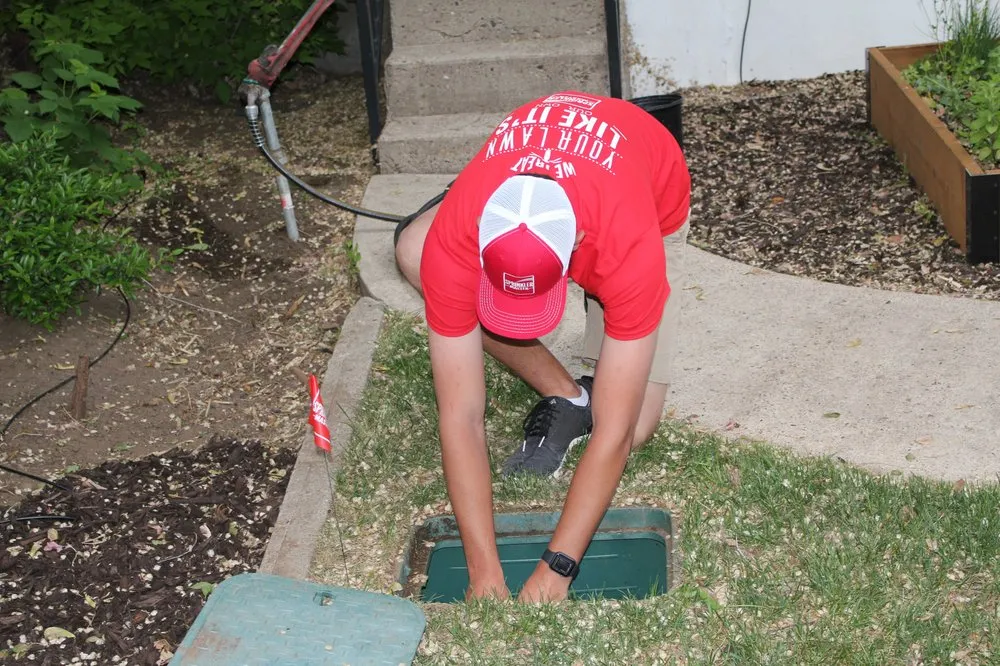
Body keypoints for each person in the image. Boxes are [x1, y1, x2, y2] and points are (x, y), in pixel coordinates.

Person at [393, 90, 691, 603]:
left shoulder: (626, 249)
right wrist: (483, 567)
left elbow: (615, 435)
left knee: (633, 425)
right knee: (419, 251)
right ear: (484, 238)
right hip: (534, 171)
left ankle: (596, 380)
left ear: (575, 248)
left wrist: (558, 567)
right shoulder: (462, 229)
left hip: (644, 179)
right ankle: (569, 396)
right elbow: (460, 414)